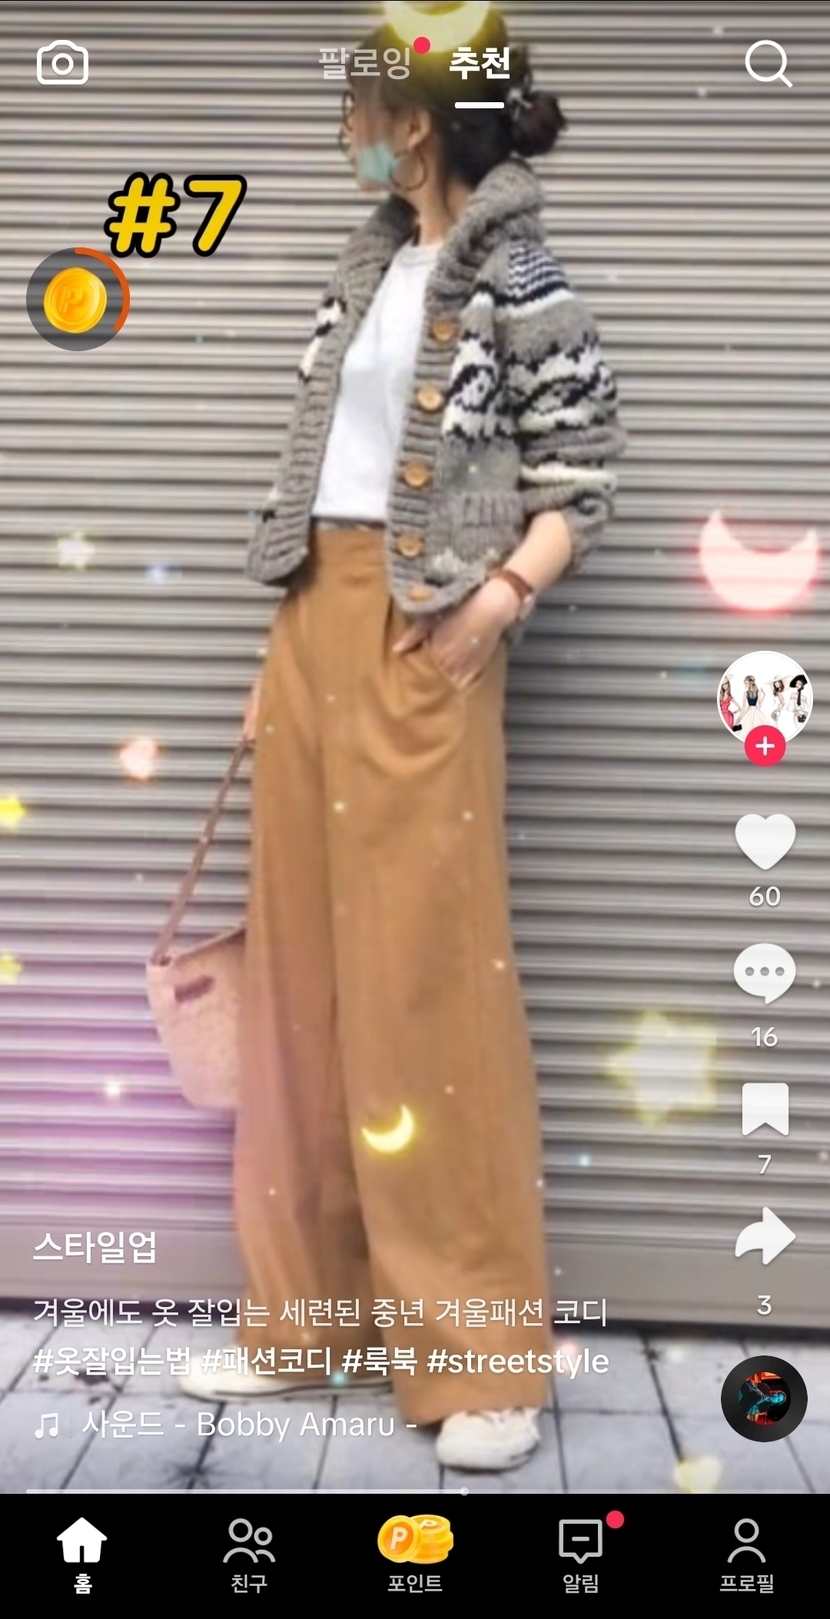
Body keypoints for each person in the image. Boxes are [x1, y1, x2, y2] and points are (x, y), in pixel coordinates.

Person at [180, 12, 624, 1472]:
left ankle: (479, 1362)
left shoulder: (520, 276)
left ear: (416, 123)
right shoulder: (365, 264)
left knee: (427, 986)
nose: (345, 133)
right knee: (297, 981)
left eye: (360, 109)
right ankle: (299, 1322)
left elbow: (580, 475)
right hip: (315, 621)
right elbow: (321, 472)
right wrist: (282, 653)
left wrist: (494, 605)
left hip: (430, 626)